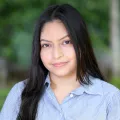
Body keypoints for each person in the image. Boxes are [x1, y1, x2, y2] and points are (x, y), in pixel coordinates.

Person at [0, 3, 120, 120]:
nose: (56, 55)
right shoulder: (20, 93)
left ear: (82, 44)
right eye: (46, 45)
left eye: (66, 42)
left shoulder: (110, 98)